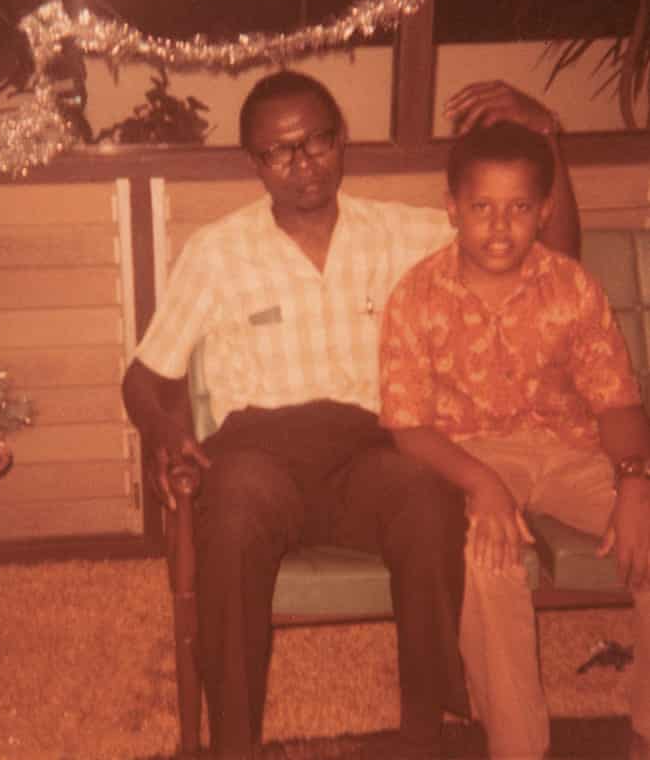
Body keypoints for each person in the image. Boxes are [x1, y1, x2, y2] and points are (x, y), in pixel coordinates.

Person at [122, 71, 580, 759]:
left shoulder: (406, 231)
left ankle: (424, 728)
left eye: (317, 141)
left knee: (427, 497)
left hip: (370, 450)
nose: (302, 163)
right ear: (255, 162)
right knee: (236, 508)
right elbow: (142, 376)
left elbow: (556, 259)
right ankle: (234, 745)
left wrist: (549, 137)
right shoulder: (216, 252)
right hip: (261, 452)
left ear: (343, 141)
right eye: (280, 151)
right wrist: (166, 433)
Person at [379, 121, 650, 760]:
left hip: (569, 450)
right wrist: (482, 484)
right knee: (489, 559)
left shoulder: (572, 286)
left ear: (545, 210)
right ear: (452, 207)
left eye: (519, 208)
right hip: (468, 455)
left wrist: (635, 481)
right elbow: (405, 426)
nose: (500, 228)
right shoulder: (417, 295)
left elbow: (616, 400)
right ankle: (520, 748)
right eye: (482, 208)